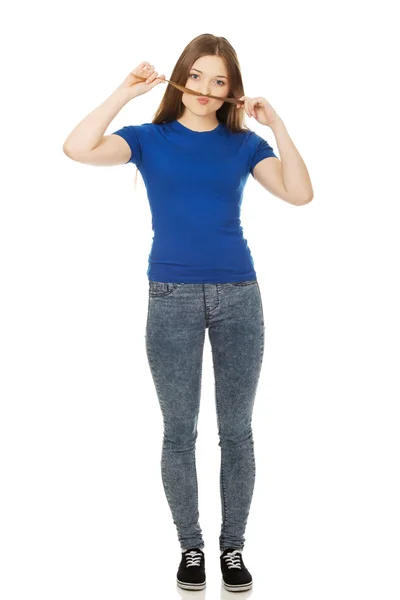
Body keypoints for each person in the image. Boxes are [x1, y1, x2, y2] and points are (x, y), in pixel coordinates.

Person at [63, 33, 313, 593]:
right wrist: (122, 94)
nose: (206, 89)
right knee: (179, 432)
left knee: (237, 432)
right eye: (197, 76)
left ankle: (233, 548)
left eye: (220, 81)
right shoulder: (148, 138)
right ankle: (190, 547)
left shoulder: (244, 145)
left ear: (232, 91)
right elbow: (77, 148)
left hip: (239, 296)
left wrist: (279, 128)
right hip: (170, 298)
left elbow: (299, 194)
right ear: (181, 78)